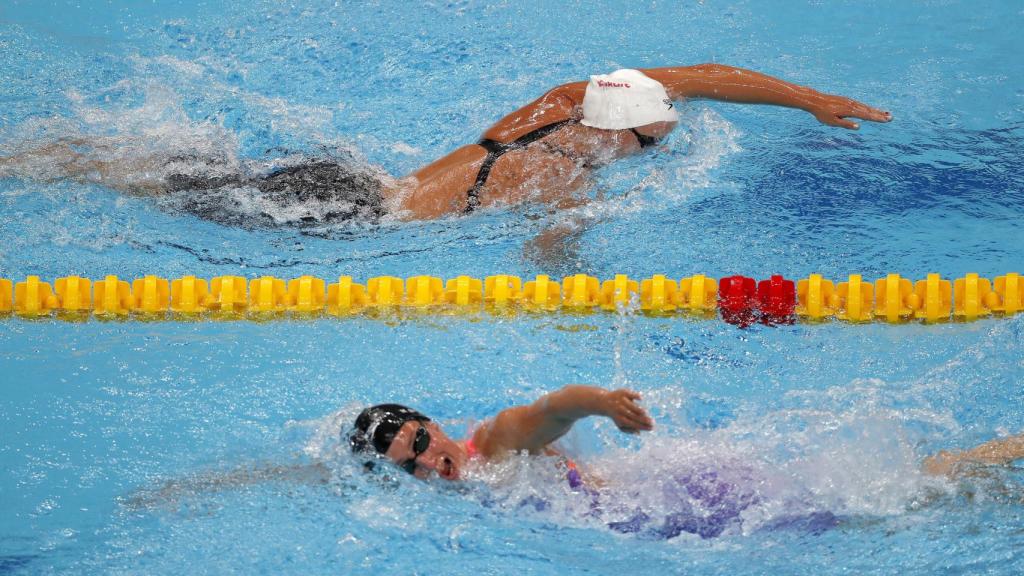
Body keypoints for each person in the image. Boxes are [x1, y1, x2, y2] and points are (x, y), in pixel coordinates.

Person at [0, 64, 892, 225]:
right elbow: (558, 251)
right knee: (168, 193)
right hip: (342, 217)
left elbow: (706, 71)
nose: (672, 127)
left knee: (187, 169)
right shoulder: (556, 170)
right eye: (657, 137)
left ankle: (47, 152)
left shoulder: (555, 105)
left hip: (357, 180)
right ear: (612, 133)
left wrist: (811, 101)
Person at [348, 385, 1024, 483]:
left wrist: (605, 405)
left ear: (431, 423)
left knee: (904, 491)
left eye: (421, 443)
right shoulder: (471, 480)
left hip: (686, 489)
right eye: (413, 465)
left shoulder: (490, 445)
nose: (430, 462)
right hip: (670, 506)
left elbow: (554, 408)